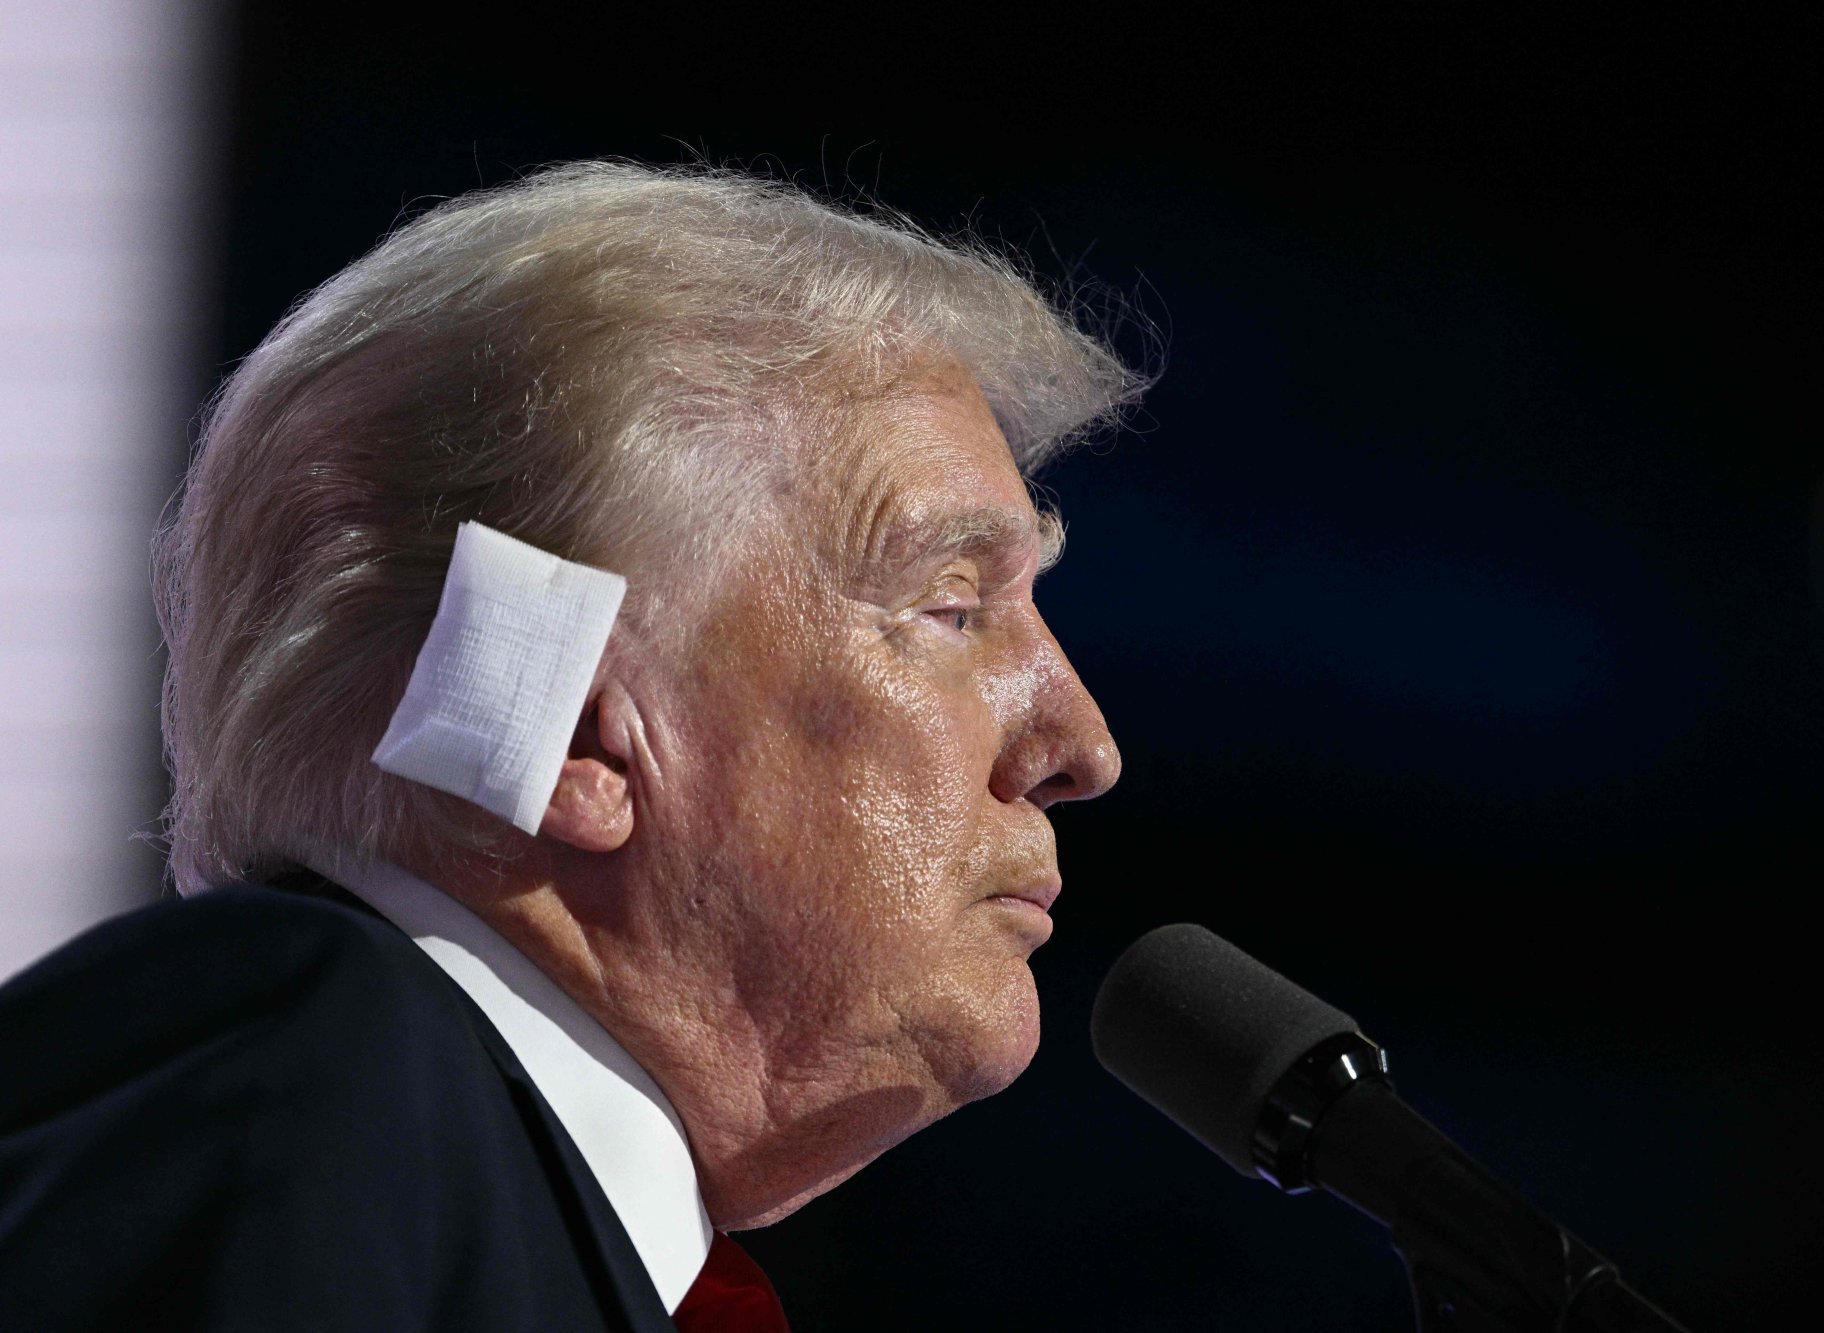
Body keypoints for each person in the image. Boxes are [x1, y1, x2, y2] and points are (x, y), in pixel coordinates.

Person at [0, 162, 1143, 1330]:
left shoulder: (492, 1211)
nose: (1080, 743)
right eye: (948, 608)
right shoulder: (306, 1062)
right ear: (588, 735)